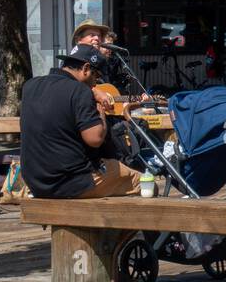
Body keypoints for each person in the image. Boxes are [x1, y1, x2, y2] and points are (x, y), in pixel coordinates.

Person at [19, 45, 141, 199]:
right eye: (96, 76)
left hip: (35, 183)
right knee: (143, 182)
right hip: (71, 182)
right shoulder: (79, 91)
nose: (95, 84)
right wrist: (100, 112)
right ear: (85, 68)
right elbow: (94, 139)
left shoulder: (30, 86)